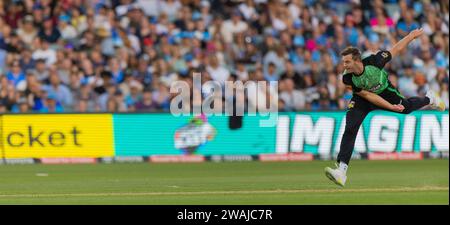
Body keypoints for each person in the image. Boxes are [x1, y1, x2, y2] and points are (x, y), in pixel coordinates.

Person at [325, 28, 446, 187]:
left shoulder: (375, 61)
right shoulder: (347, 78)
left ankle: (430, 98)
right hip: (363, 99)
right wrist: (390, 107)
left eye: (347, 62)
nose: (344, 66)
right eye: (343, 63)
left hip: (385, 92)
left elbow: (396, 49)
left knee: (407, 108)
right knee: (351, 127)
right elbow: (368, 96)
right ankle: (341, 171)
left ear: (357, 60)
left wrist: (410, 37)